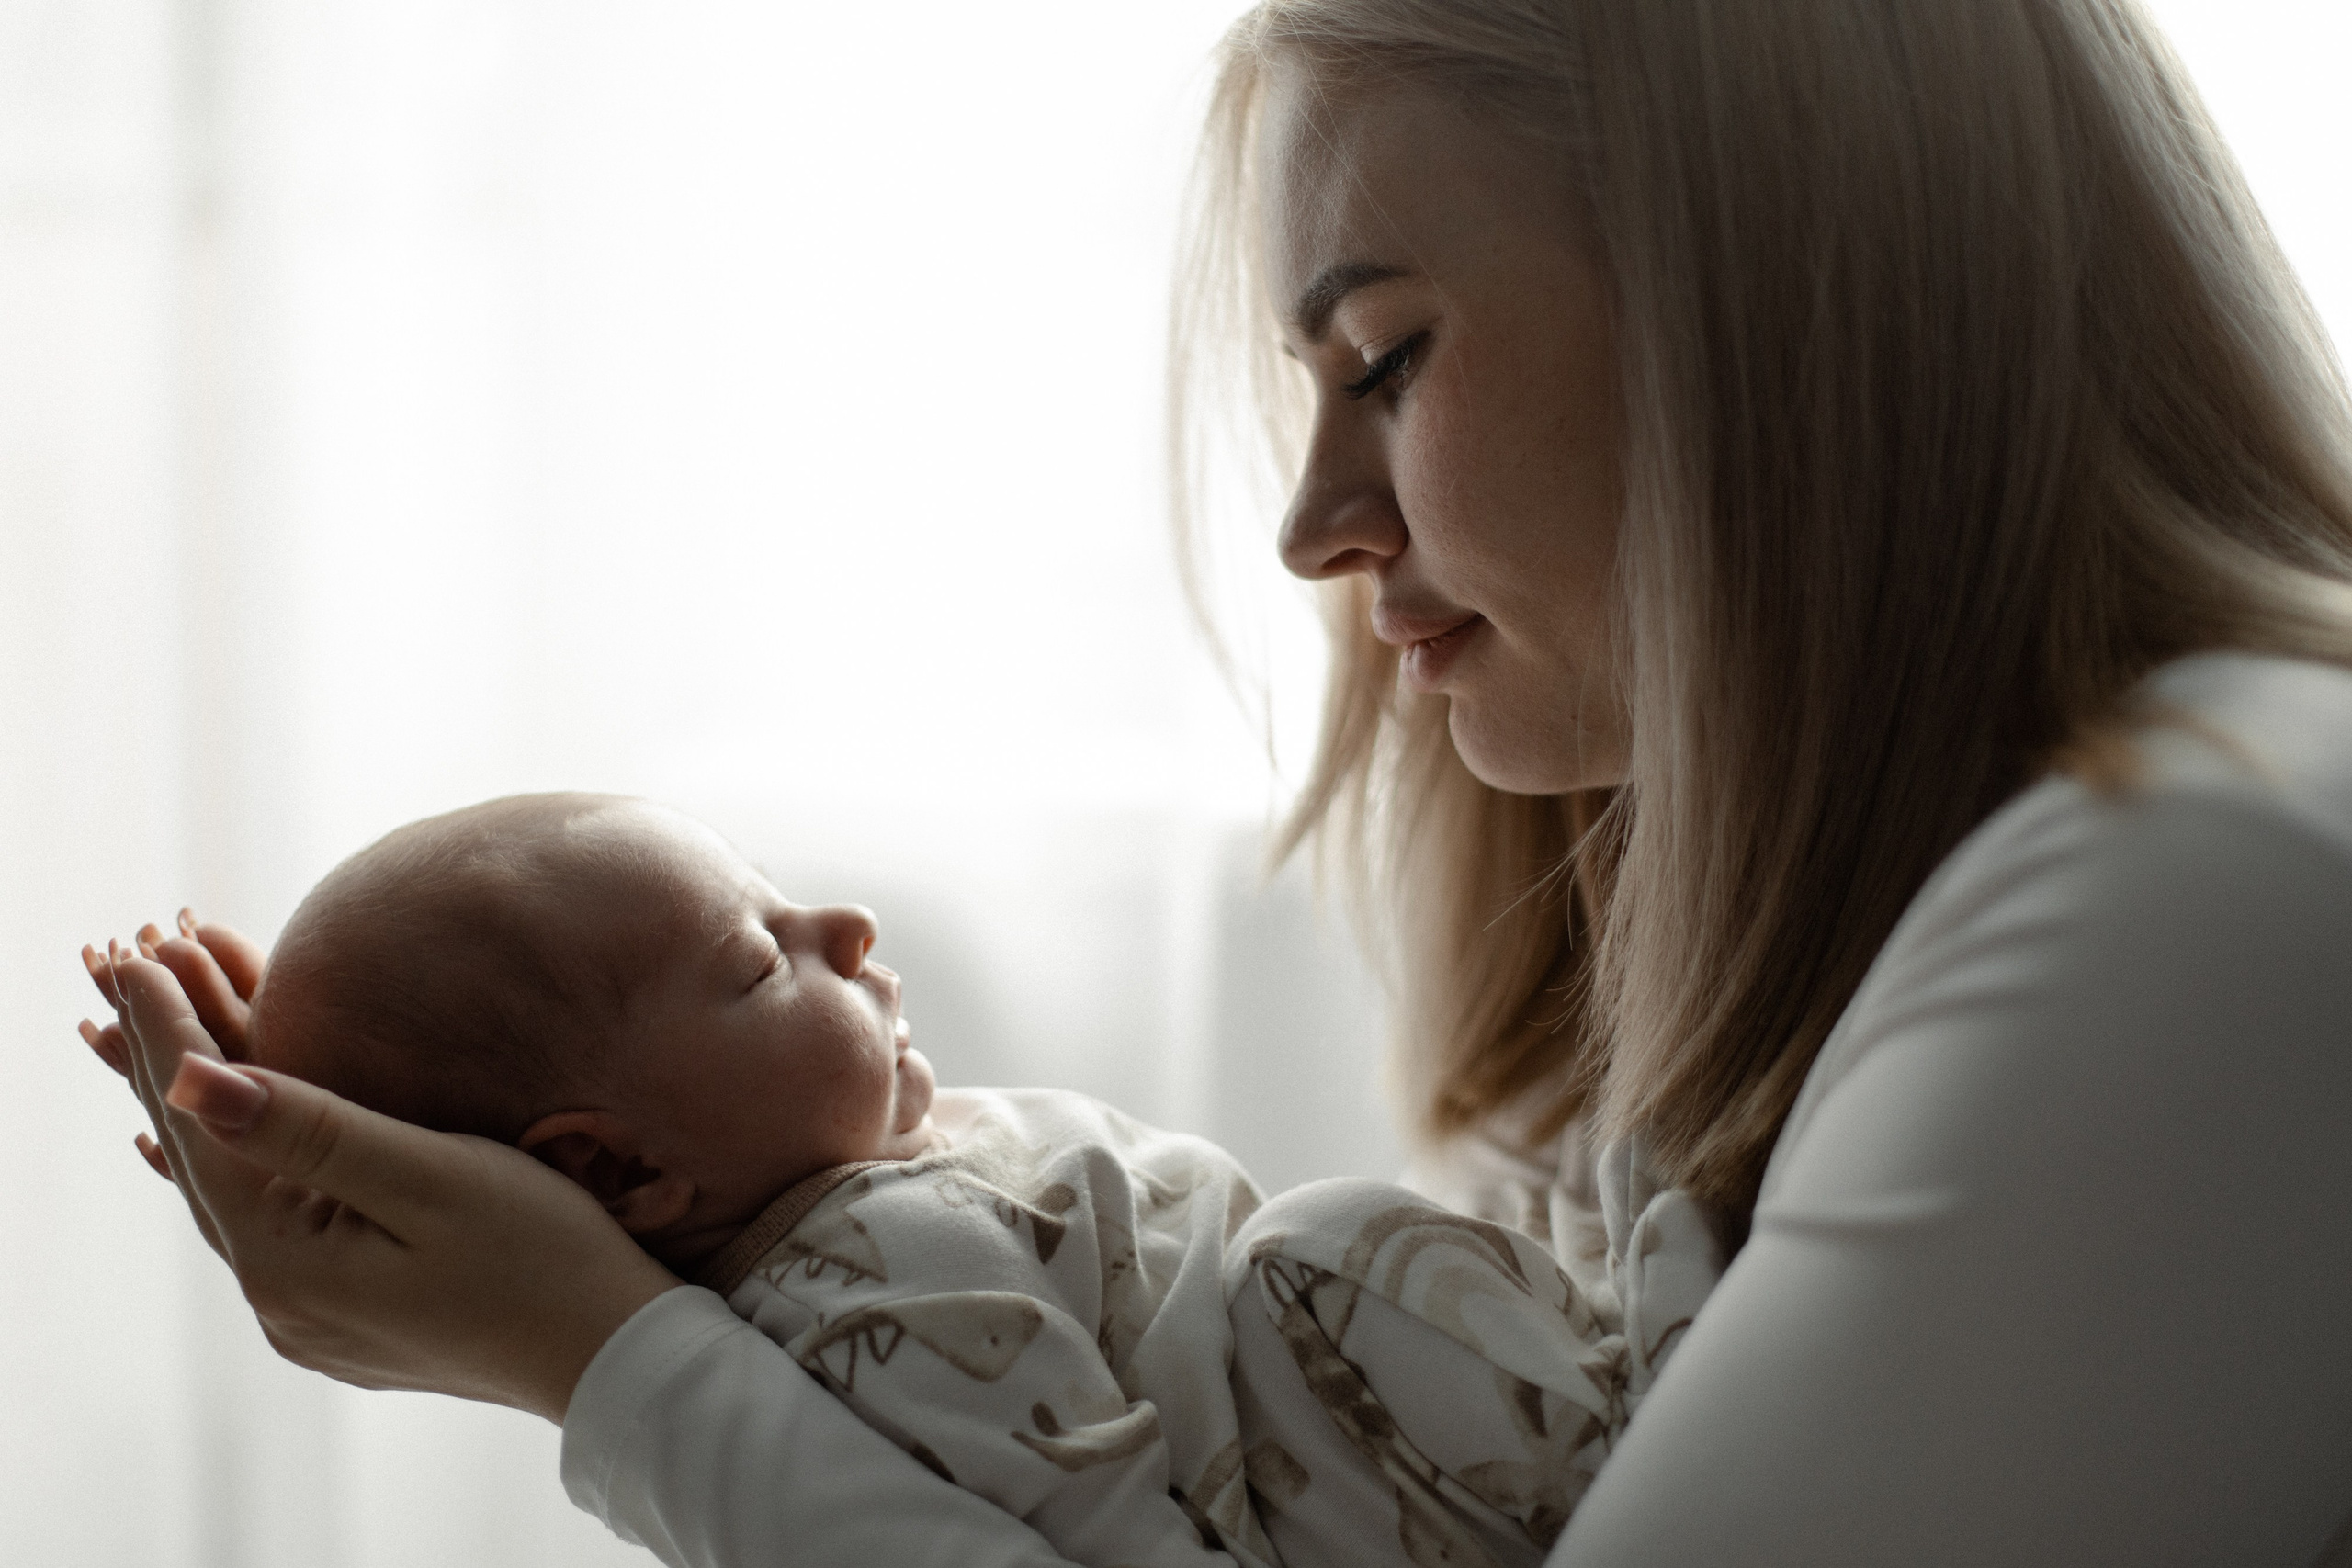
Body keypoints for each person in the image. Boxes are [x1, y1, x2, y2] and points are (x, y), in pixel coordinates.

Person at [80, 0, 2352, 1563]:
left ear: (1768, 300)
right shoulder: (2011, 894)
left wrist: (596, 1353)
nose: (1311, 528)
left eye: (1381, 357)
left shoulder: (2195, 890)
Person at [110, 788, 1698, 1567]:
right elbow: (1102, 1517)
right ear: (618, 1168)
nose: (846, 930)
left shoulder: (866, 1207)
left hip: (1429, 1459)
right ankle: (1645, 1365)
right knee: (1327, 1250)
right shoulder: (884, 1282)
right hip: (1413, 1497)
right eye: (757, 958)